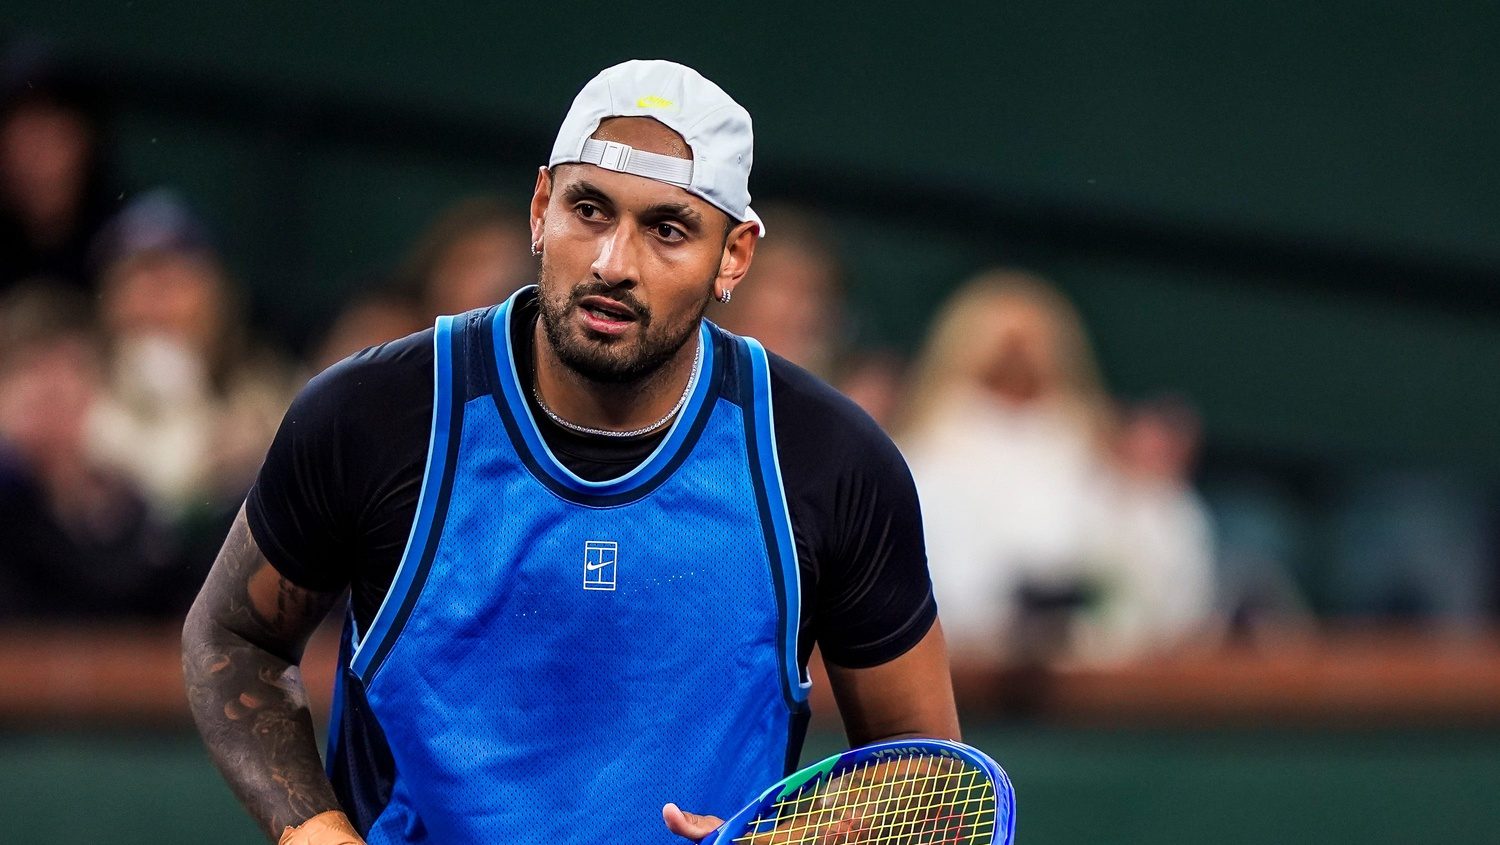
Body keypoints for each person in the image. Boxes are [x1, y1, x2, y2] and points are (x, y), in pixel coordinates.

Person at [182, 60, 957, 845]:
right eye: (589, 209)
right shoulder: (372, 417)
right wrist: (314, 833)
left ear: (734, 257)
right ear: (541, 207)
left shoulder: (833, 462)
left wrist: (803, 837)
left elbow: (933, 783)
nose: (613, 262)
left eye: (667, 229)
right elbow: (234, 637)